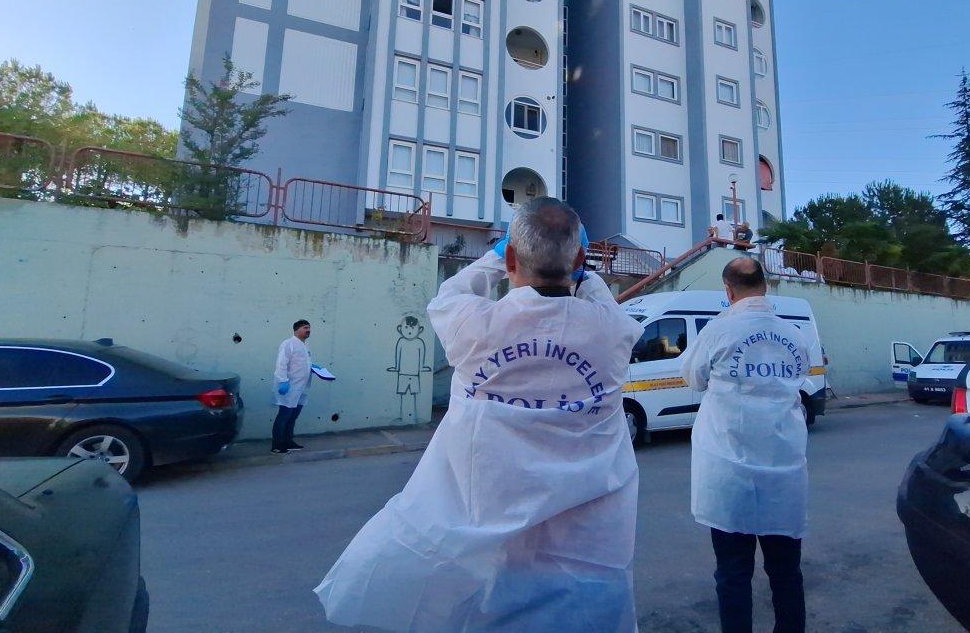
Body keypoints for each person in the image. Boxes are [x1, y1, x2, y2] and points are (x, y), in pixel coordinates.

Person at [316, 197, 645, 632]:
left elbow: (451, 291)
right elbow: (603, 303)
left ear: (511, 257)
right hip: (584, 552)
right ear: (582, 259)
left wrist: (495, 257)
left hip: (493, 552)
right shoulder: (611, 334)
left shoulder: (473, 328)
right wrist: (580, 274)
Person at [680, 256, 811, 633]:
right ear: (766, 287)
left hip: (729, 471)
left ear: (728, 290)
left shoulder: (718, 331)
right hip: (783, 470)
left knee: (733, 573)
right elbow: (801, 373)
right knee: (786, 573)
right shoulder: (794, 334)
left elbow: (692, 377)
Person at [273, 319, 314, 454]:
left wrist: (313, 368)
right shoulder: (288, 344)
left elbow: (303, 363)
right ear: (296, 330)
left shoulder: (305, 345)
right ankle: (277, 445)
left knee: (293, 416)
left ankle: (288, 441)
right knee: (284, 415)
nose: (308, 330)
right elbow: (281, 364)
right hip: (289, 387)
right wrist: (283, 381)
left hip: (302, 387)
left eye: (309, 328)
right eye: (305, 328)